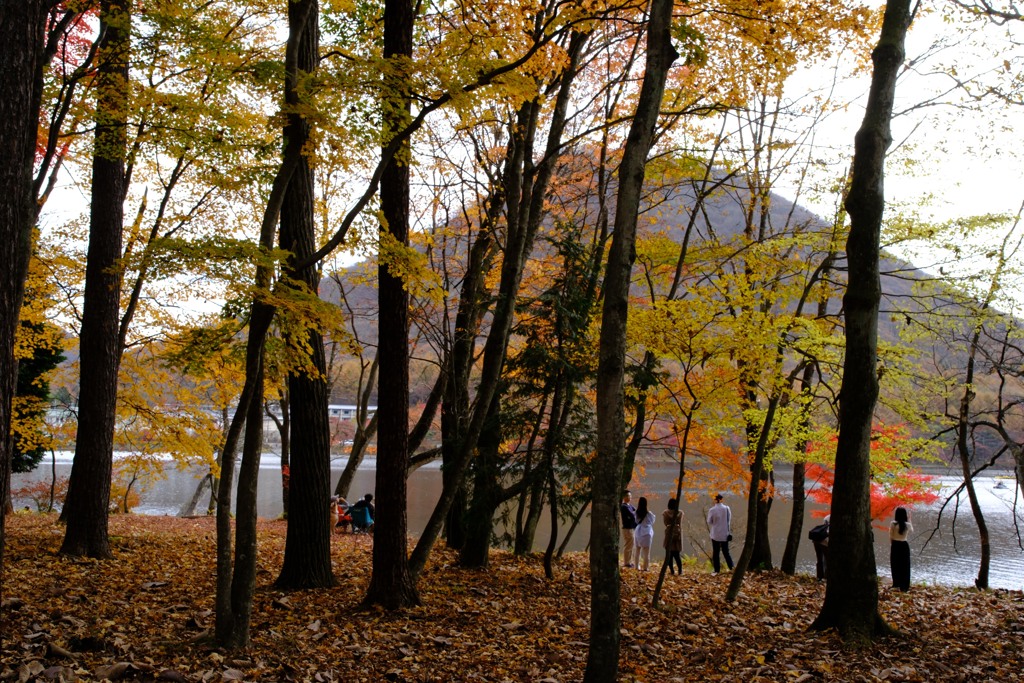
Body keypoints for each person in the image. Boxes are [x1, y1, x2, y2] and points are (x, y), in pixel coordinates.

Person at [706, 493, 734, 574]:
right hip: (725, 533)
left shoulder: (712, 510)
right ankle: (732, 567)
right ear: (722, 499)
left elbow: (709, 521)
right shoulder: (727, 508)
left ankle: (717, 570)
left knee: (716, 552)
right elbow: (729, 519)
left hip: (715, 534)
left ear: (715, 500)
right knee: (726, 552)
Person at [890, 507, 913, 591]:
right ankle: (905, 586)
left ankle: (896, 584)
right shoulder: (907, 525)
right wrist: (909, 520)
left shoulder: (893, 523)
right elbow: (912, 530)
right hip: (904, 545)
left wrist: (892, 544)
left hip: (895, 544)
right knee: (905, 565)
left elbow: (891, 536)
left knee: (895, 564)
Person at [632, 496, 656, 571]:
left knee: (637, 550)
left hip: (638, 531)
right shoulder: (649, 514)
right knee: (646, 552)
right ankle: (645, 567)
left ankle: (636, 566)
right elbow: (652, 522)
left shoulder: (636, 513)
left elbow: (635, 521)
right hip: (647, 533)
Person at [663, 497, 684, 575]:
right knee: (677, 555)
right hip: (677, 534)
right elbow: (680, 524)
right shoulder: (680, 513)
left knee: (669, 555)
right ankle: (680, 570)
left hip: (669, 534)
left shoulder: (665, 513)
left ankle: (672, 571)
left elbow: (665, 523)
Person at [620, 491, 638, 568]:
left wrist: (634, 514)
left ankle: (630, 562)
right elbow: (633, 515)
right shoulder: (624, 506)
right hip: (627, 528)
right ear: (624, 497)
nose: (629, 497)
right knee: (628, 545)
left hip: (632, 528)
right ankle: (627, 563)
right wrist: (633, 514)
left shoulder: (630, 506)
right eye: (627, 496)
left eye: (630, 495)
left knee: (632, 545)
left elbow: (636, 512)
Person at [811, 514, 830, 581]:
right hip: (825, 542)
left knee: (819, 559)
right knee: (828, 560)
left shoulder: (827, 517)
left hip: (817, 540)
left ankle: (819, 577)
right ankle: (826, 577)